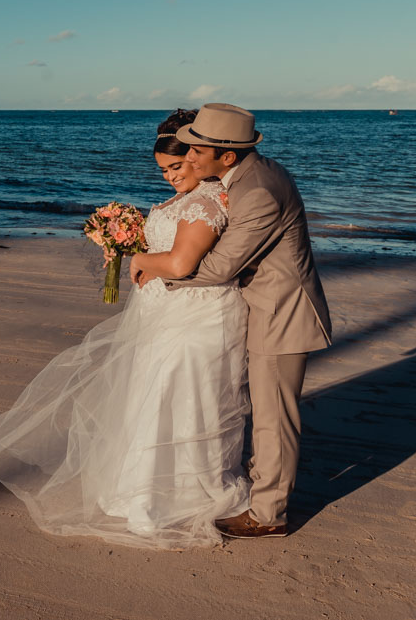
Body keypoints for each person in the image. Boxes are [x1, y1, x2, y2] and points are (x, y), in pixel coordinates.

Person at [0, 108, 251, 549]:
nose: (169, 177)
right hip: (166, 314)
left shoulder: (203, 202)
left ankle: (163, 499)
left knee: (180, 399)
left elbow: (182, 263)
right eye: (163, 170)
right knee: (156, 399)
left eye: (177, 167)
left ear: (200, 159)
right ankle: (143, 490)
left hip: (194, 317)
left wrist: (139, 259)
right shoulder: (189, 198)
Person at [140, 103, 331, 539]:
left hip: (279, 313)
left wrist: (157, 269)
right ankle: (263, 495)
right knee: (263, 413)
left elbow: (219, 269)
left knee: (273, 419)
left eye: (195, 152)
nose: (187, 159)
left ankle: (268, 516)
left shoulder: (257, 191)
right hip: (263, 307)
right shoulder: (248, 175)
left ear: (227, 156)